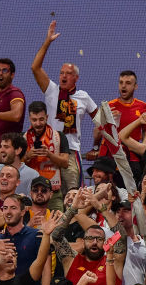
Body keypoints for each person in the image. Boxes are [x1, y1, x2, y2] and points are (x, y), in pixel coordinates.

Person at [31, 21, 98, 192]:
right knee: (50, 194)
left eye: (68, 73)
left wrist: (96, 147)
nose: (63, 76)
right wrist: (47, 42)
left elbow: (101, 123)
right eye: (61, 73)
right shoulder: (51, 90)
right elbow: (35, 67)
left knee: (73, 194)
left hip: (72, 152)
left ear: (76, 77)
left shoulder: (83, 97)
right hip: (50, 150)